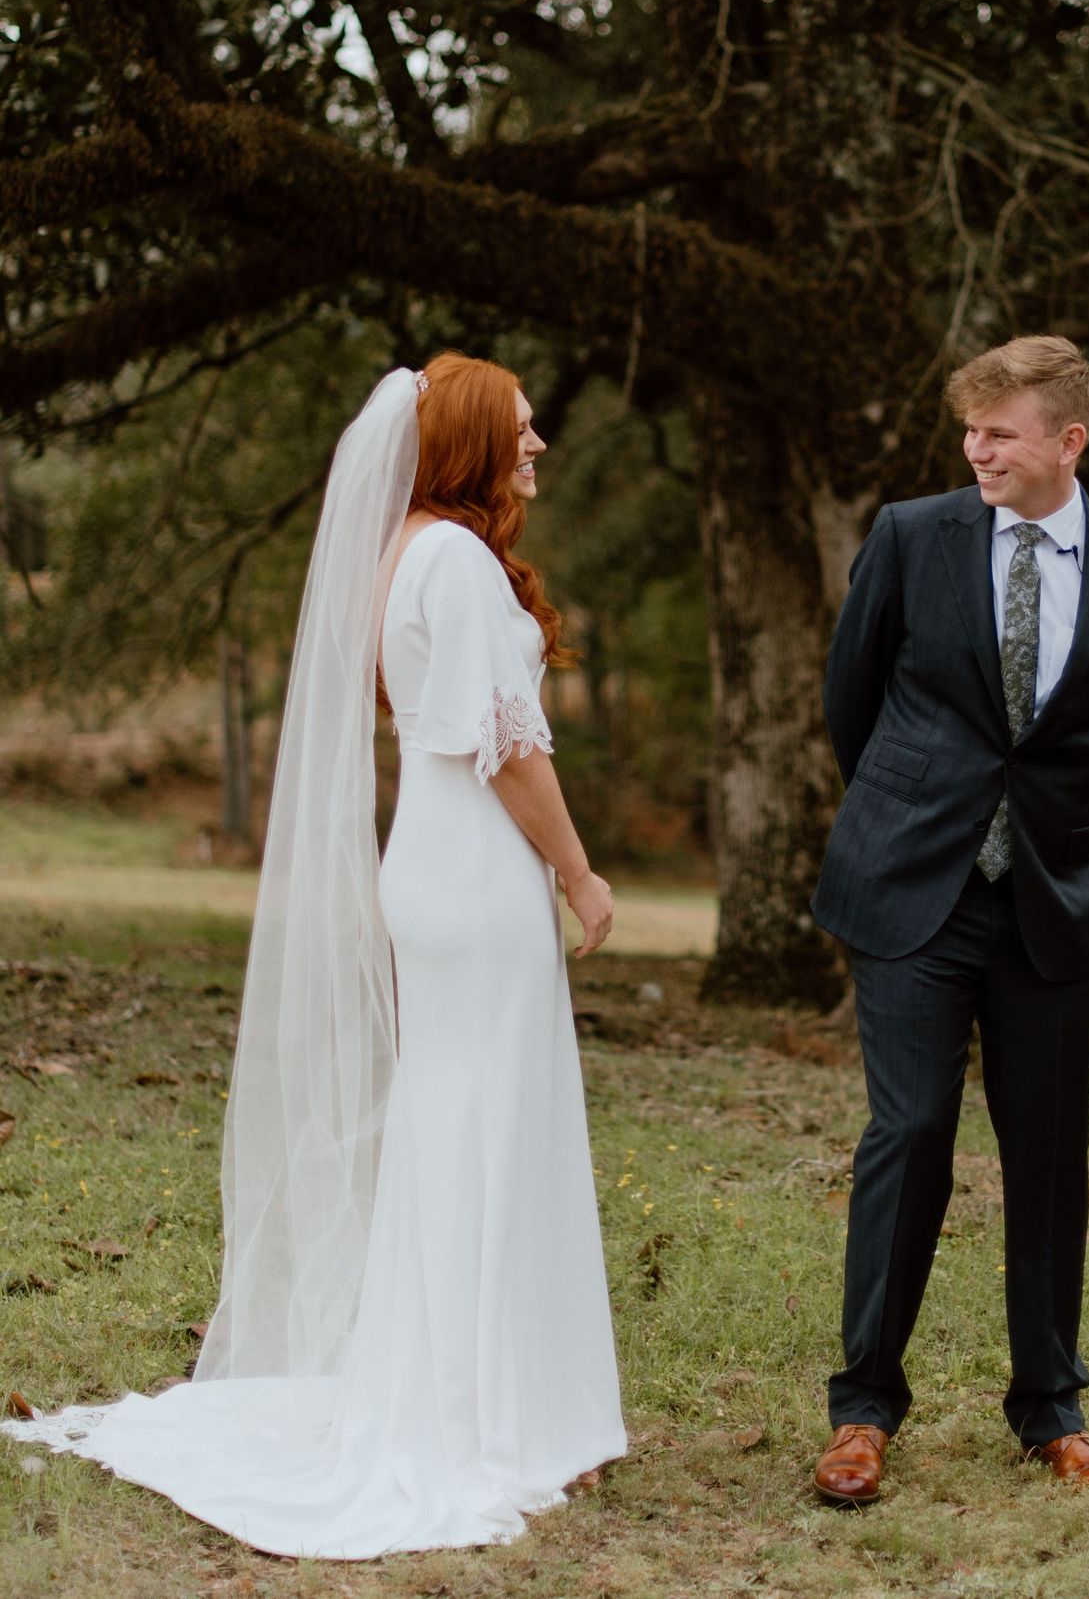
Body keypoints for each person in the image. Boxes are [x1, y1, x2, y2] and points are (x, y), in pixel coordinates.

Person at [3, 354, 626, 1557]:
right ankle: (490, 1416)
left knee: (455, 1121)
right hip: (478, 868)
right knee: (492, 1123)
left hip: (430, 860)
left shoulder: (405, 550)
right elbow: (508, 748)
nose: (539, 444)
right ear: (471, 439)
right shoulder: (455, 559)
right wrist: (578, 870)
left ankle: (478, 1392)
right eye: (522, 427)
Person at [809, 335, 1089, 1504]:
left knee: (1049, 1153)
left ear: (1070, 441)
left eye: (1001, 433)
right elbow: (851, 700)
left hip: (1051, 901)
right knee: (912, 1130)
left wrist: (1047, 828)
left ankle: (1051, 1411)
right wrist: (918, 814)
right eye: (969, 429)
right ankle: (864, 1409)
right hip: (911, 889)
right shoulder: (910, 536)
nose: (976, 449)